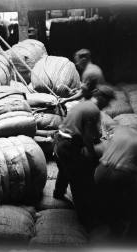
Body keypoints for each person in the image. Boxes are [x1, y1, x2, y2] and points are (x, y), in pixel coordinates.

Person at [53, 86, 115, 230]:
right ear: (101, 98)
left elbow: (88, 133)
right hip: (69, 146)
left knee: (64, 169)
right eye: (108, 101)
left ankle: (58, 192)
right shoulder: (93, 110)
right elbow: (87, 137)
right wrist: (94, 156)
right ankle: (86, 220)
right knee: (79, 182)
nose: (108, 105)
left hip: (59, 142)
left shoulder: (83, 104)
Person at [94, 125, 137, 240]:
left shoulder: (120, 132)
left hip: (99, 173)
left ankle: (115, 229)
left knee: (110, 202)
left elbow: (99, 149)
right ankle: (132, 240)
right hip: (120, 175)